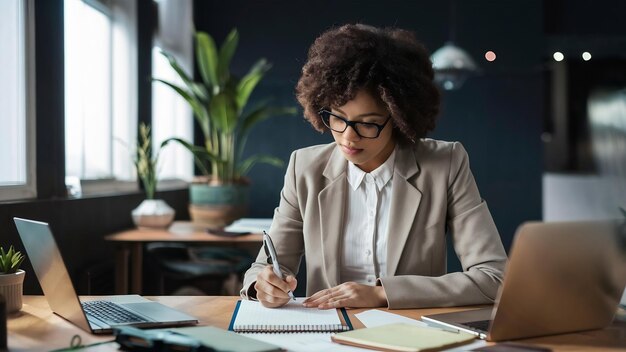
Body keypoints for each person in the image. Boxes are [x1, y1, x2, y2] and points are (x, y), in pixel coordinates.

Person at [240, 23, 507, 310]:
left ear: (400, 117)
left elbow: (494, 277)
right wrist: (263, 285)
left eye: (368, 123)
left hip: (411, 334)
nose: (347, 136)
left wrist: (382, 294)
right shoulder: (304, 168)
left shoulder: (445, 164)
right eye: (337, 118)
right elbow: (263, 268)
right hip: (327, 335)